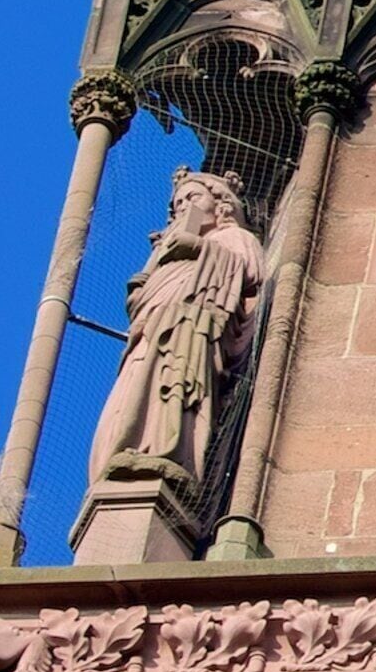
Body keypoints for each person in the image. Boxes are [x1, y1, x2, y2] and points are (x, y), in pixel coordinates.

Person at [88, 168, 269, 493]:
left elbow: (250, 273)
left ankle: (166, 451)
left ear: (222, 204)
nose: (185, 205)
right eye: (178, 203)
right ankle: (123, 450)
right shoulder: (169, 254)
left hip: (191, 330)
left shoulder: (232, 237)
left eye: (193, 197)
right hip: (150, 332)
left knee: (173, 381)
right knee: (134, 387)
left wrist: (199, 248)